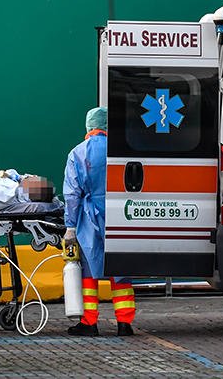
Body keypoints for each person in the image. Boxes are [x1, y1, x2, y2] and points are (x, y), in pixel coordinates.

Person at [63, 107, 135, 336]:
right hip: (119, 213)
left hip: (89, 218)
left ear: (88, 126)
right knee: (120, 269)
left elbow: (72, 194)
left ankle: (89, 323)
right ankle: (124, 323)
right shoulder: (120, 151)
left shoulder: (78, 153)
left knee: (88, 270)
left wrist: (70, 226)